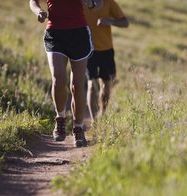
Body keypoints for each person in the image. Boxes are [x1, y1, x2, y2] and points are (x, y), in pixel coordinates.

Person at [29, 0, 103, 147]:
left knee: (76, 85)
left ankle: (78, 128)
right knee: (58, 79)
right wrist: (39, 11)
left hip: (79, 34)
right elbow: (33, 1)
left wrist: (92, 4)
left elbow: (99, 3)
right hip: (55, 34)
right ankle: (60, 119)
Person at [84, 0, 129, 122]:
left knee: (106, 85)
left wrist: (110, 21)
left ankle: (102, 115)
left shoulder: (109, 3)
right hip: (88, 50)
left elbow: (125, 22)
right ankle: (94, 121)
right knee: (91, 85)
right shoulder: (82, 2)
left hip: (106, 50)